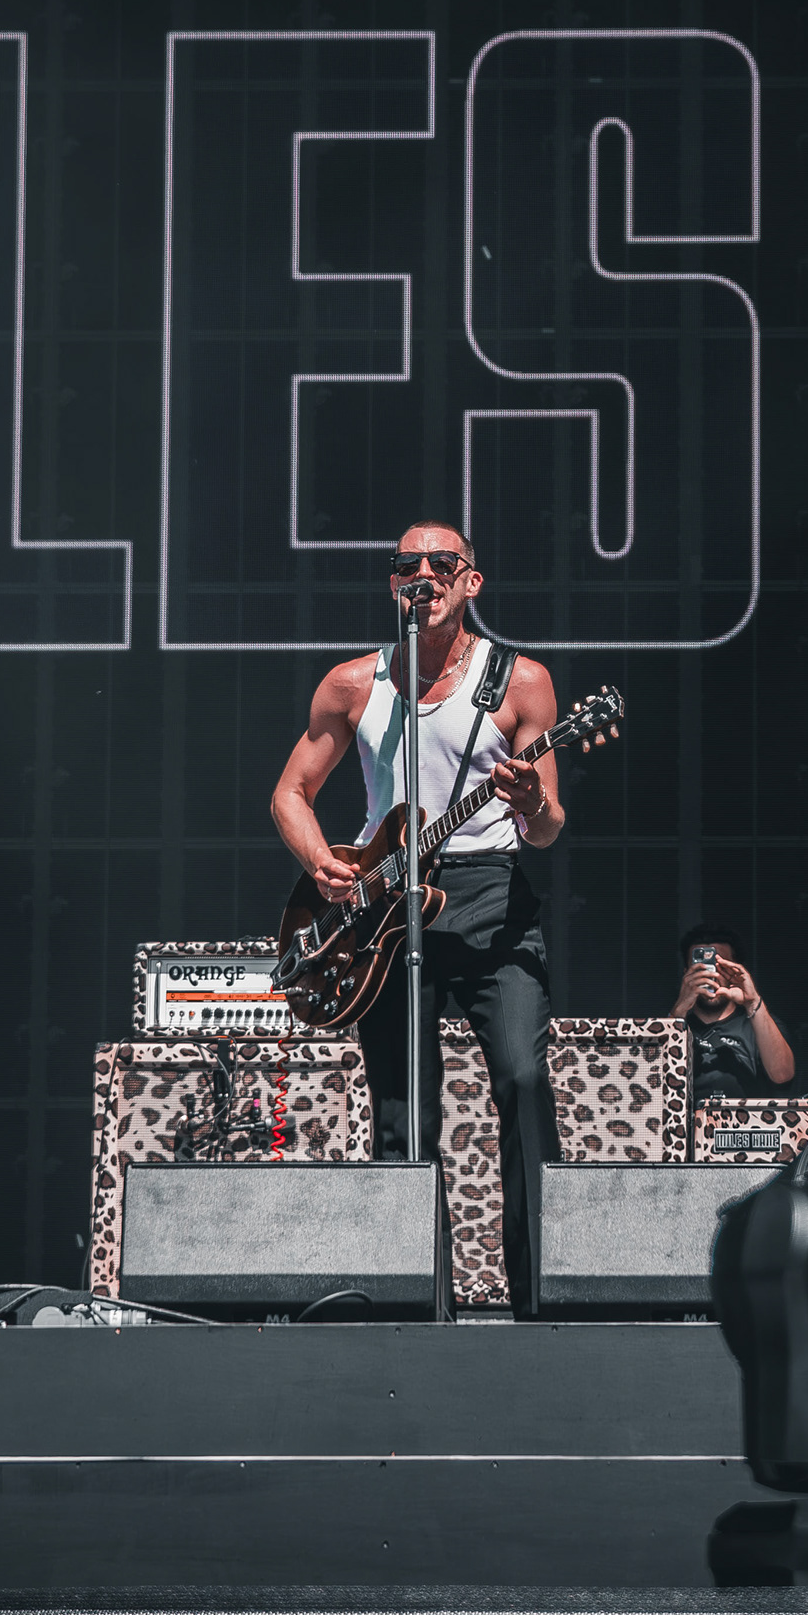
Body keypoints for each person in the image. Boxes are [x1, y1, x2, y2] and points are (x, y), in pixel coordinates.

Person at [269, 522, 568, 1312]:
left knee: (523, 1078)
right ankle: (414, 1308)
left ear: (471, 582)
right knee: (404, 1110)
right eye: (408, 564)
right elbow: (290, 792)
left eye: (442, 563)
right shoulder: (352, 685)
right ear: (393, 583)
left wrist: (532, 801)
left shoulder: (520, 681)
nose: (424, 574)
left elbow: (547, 828)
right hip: (386, 901)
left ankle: (544, 1302)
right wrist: (321, 862)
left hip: (491, 895)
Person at [672, 921, 797, 1103]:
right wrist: (679, 1010)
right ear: (686, 974)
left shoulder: (757, 1024)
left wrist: (752, 1002)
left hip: (746, 1121)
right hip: (684, 1121)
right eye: (700, 967)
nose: (711, 974)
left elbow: (783, 1076)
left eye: (719, 965)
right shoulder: (673, 1023)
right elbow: (651, 1079)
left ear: (736, 970)